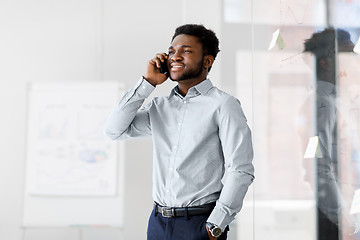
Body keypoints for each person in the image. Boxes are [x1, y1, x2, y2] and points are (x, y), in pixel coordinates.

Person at [104, 24, 254, 240]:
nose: (175, 56)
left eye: (186, 51)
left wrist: (216, 225)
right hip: (157, 222)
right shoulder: (159, 107)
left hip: (200, 224)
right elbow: (113, 131)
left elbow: (241, 169)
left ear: (207, 61)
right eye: (171, 51)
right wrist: (147, 83)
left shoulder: (224, 105)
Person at [299, 28, 357, 239]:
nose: (355, 60)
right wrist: (343, 217)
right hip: (334, 220)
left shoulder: (337, 102)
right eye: (348, 54)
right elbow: (318, 168)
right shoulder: (322, 104)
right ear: (326, 62)